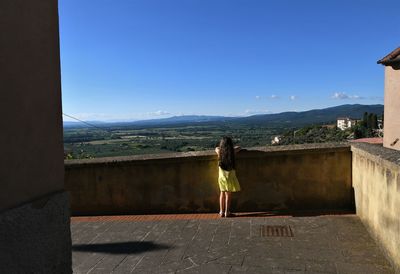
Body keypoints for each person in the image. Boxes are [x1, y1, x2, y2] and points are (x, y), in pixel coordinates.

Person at [215, 136, 241, 217]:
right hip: (230, 177)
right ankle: (227, 212)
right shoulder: (232, 152)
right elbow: (239, 147)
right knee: (228, 195)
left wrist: (220, 147)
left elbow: (216, 148)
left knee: (222, 193)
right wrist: (233, 148)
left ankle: (221, 212)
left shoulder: (219, 152)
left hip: (222, 177)